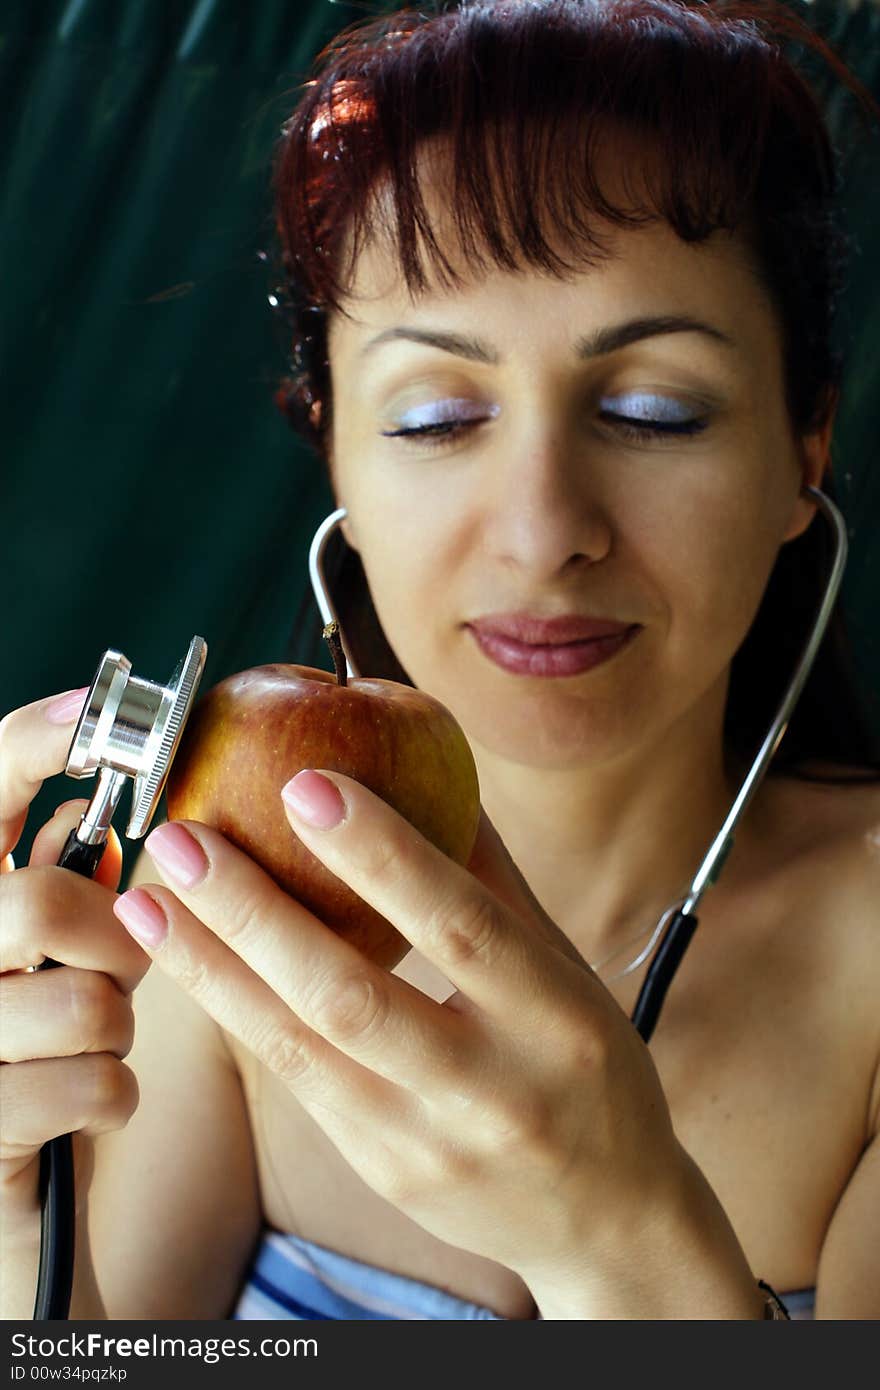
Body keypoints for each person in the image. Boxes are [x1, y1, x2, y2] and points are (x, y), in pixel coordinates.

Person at [2, 0, 879, 1322]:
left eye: (652, 411)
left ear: (803, 449)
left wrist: (630, 1241)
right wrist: (15, 1240)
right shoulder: (218, 919)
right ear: (335, 450)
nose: (543, 533)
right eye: (435, 417)